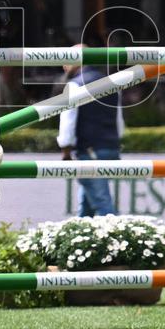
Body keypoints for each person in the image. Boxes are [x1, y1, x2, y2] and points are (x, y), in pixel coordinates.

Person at [57, 47, 125, 217]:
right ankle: (79, 239)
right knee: (87, 204)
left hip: (89, 150)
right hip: (111, 147)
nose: (63, 64)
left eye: (67, 58)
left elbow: (68, 120)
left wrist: (65, 149)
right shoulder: (112, 82)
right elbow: (119, 119)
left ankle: (120, 238)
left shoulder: (75, 85)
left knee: (103, 205)